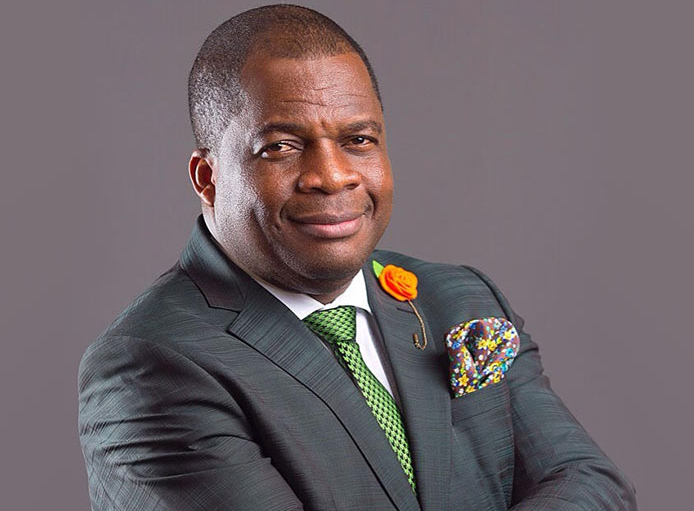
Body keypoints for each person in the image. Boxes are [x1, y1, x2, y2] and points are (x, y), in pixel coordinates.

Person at [77, 4, 637, 510]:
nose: (333, 176)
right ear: (208, 177)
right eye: (280, 147)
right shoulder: (151, 364)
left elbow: (590, 483)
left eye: (358, 140)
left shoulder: (460, 300)